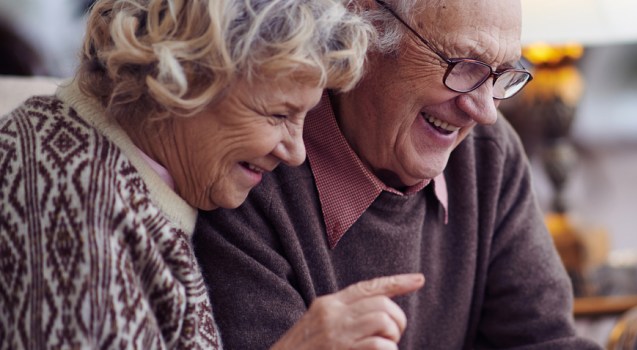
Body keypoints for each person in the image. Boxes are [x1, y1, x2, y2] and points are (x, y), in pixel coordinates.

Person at [194, 0, 602, 348]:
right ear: (365, 26)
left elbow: (546, 339)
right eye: (463, 65)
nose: (484, 111)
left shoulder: (487, 155)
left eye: (501, 73)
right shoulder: (251, 169)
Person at [0, 0, 370, 347]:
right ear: (183, 77)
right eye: (278, 115)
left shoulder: (124, 177)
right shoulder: (76, 202)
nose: (296, 151)